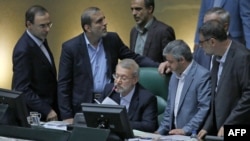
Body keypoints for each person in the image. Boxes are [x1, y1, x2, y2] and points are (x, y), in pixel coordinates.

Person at [57, 7, 166, 124]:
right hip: (82, 104)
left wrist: (160, 65)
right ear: (87, 28)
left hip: (109, 100)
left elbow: (133, 57)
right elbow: (64, 84)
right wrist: (66, 115)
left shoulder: (112, 39)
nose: (105, 23)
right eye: (99, 21)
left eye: (104, 19)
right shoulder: (71, 47)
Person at [197, 20, 250, 139]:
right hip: (219, 127)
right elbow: (216, 96)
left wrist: (230, 124)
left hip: (239, 128)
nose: (200, 46)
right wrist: (207, 126)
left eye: (201, 42)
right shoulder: (216, 56)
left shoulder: (242, 57)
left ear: (212, 41)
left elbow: (248, 96)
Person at [12, 5, 58, 121]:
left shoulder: (40, 38)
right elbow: (21, 88)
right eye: (42, 26)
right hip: (35, 114)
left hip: (49, 108)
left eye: (49, 24)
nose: (47, 29)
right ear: (29, 25)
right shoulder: (23, 50)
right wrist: (46, 110)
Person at [156, 39, 211, 136]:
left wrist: (185, 130)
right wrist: (159, 132)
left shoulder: (202, 76)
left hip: (193, 135)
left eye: (170, 61)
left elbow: (204, 108)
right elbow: (169, 108)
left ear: (182, 60)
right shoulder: (174, 75)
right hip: (173, 135)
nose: (167, 65)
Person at [100, 58, 158, 132]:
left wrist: (120, 123)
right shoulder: (109, 89)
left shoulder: (147, 98)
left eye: (123, 78)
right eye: (116, 76)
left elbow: (149, 126)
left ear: (135, 80)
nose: (117, 82)